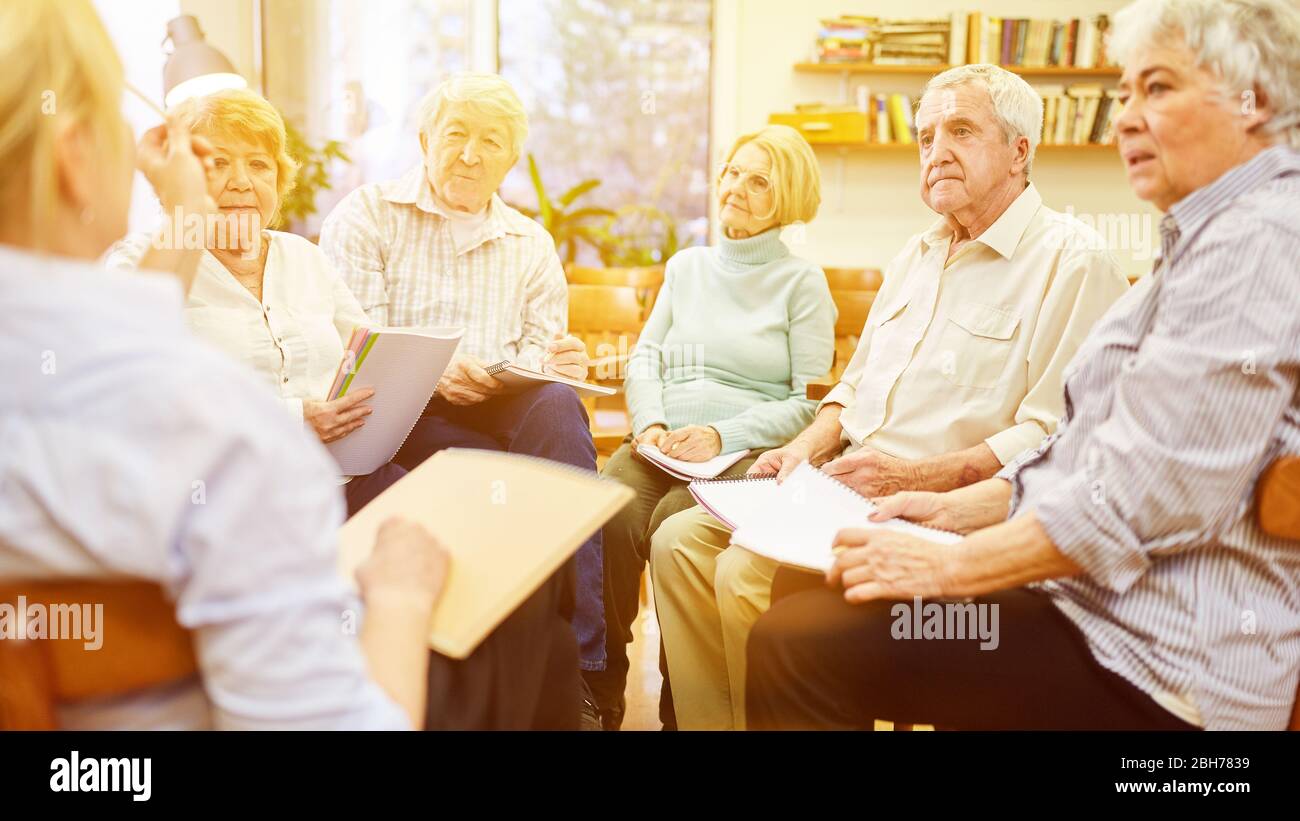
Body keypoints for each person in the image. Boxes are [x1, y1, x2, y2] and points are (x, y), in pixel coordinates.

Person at [0, 0, 574, 730]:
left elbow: (364, 347)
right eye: (210, 164)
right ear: (75, 161)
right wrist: (397, 595)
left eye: (256, 165)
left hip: (350, 479)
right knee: (493, 610)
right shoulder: (220, 421)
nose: (236, 182)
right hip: (301, 522)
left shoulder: (290, 267)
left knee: (519, 595)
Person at [745, 0, 1300, 732]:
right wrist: (956, 512)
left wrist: (947, 566)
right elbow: (1086, 453)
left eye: (1158, 89)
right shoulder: (1203, 240)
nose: (1126, 117)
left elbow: (1145, 495)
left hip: (1161, 658)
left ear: (1251, 100)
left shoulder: (1257, 240)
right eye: (1125, 92)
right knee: (808, 594)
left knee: (798, 645)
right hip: (1094, 606)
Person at [651, 64, 1131, 729]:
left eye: (960, 130)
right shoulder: (915, 253)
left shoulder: (1075, 262)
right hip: (842, 481)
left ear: (1020, 150)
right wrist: (802, 447)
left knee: (741, 573)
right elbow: (853, 384)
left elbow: (1053, 435)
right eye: (926, 135)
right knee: (677, 541)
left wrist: (914, 476)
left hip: (930, 506)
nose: (936, 151)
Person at [319, 73, 608, 688]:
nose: (472, 155)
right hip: (398, 413)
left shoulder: (529, 242)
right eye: (456, 134)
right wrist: (434, 371)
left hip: (500, 406)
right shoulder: (368, 216)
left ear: (512, 158)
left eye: (491, 141)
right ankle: (486, 666)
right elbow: (354, 338)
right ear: (425, 139)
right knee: (524, 473)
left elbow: (539, 343)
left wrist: (553, 363)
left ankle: (579, 668)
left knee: (558, 404)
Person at [583, 125, 836, 728]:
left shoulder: (803, 284)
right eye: (731, 173)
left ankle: (682, 703)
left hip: (744, 452)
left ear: (790, 199)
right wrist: (651, 424)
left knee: (676, 525)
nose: (736, 189)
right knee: (608, 513)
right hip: (662, 443)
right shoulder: (687, 268)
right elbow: (645, 358)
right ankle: (601, 691)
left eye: (759, 182)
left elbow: (810, 403)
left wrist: (727, 435)